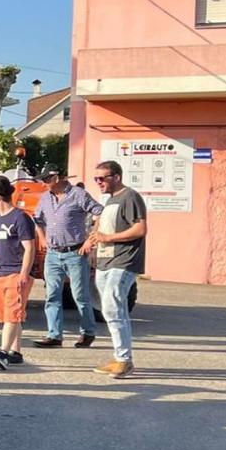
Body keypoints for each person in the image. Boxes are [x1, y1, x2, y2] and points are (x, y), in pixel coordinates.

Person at [31, 164, 104, 349]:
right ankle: (54, 335)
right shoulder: (45, 198)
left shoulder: (78, 194)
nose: (43, 183)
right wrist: (42, 238)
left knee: (79, 295)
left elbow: (100, 212)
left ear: (56, 178)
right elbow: (37, 219)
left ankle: (87, 332)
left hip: (75, 252)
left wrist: (91, 239)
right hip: (53, 254)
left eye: (46, 179)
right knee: (52, 295)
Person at [85, 160, 147, 379]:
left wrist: (108, 238)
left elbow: (140, 228)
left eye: (102, 178)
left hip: (123, 261)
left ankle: (124, 359)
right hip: (104, 261)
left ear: (117, 177)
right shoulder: (110, 200)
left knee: (113, 307)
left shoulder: (130, 197)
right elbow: (100, 226)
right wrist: (92, 244)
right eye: (96, 179)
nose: (99, 182)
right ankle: (120, 357)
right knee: (110, 310)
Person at [0, 176, 36, 370]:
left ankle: (3, 353)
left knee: (12, 316)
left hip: (15, 272)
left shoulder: (20, 217)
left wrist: (24, 274)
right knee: (10, 316)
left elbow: (29, 247)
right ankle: (16, 352)